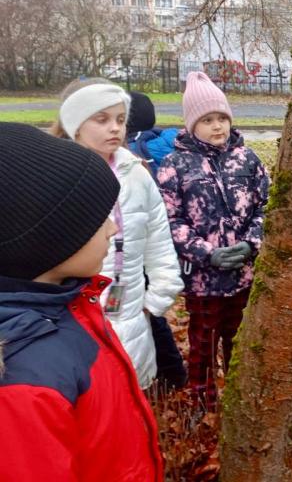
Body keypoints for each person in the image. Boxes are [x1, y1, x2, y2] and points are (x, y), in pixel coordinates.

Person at [0, 123, 163, 481]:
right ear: (45, 241)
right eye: (96, 220)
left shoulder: (69, 301)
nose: (113, 228)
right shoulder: (23, 383)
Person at [53, 80, 183, 389]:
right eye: (102, 119)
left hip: (131, 312)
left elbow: (159, 240)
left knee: (131, 392)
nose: (115, 128)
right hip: (75, 316)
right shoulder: (56, 177)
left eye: (121, 120)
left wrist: (158, 297)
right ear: (75, 125)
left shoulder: (137, 174)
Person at [158, 71, 270, 409]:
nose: (217, 126)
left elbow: (266, 205)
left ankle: (239, 403)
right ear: (192, 123)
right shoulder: (174, 165)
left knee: (241, 343)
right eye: (207, 119)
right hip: (203, 281)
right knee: (203, 347)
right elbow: (171, 218)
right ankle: (202, 404)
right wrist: (208, 253)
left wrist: (251, 243)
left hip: (244, 276)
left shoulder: (247, 160)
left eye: (222, 117)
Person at [126, 90, 187, 389]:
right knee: (152, 311)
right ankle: (174, 375)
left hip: (141, 242)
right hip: (172, 237)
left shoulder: (130, 153)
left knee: (145, 311)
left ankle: (168, 375)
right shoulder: (171, 142)